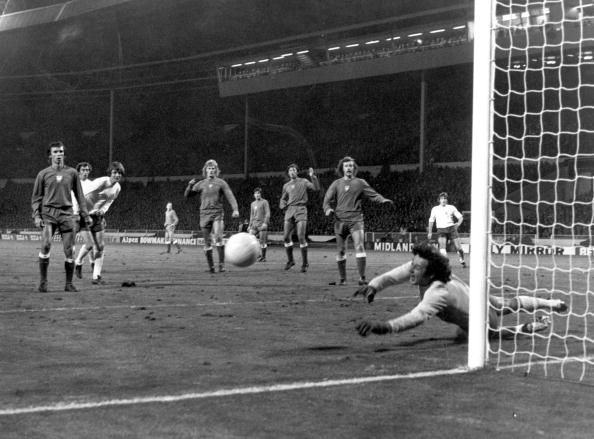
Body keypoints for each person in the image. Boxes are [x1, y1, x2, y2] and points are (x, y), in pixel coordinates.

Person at [354, 242, 567, 339]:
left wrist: (380, 326)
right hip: (478, 298)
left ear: (429, 274)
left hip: (483, 319)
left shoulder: (437, 293)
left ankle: (526, 327)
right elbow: (392, 276)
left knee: (473, 335)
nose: (411, 270)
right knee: (507, 303)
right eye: (413, 265)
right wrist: (374, 285)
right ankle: (553, 304)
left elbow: (414, 318)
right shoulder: (428, 271)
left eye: (416, 268)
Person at [31, 141, 92, 293]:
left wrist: (85, 214)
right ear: (50, 155)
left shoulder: (72, 173)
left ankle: (69, 284)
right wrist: (37, 216)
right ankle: (43, 282)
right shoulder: (43, 174)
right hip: (48, 213)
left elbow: (80, 196)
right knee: (45, 245)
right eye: (55, 152)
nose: (58, 154)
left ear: (64, 154)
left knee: (69, 250)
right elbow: (36, 198)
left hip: (67, 214)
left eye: (61, 152)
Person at [323, 156, 393, 285]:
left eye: (351, 165)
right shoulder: (336, 183)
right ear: (342, 168)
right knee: (340, 251)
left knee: (359, 246)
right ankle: (343, 279)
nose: (349, 168)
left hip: (356, 220)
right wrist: (327, 209)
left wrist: (383, 200)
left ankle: (362, 278)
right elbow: (326, 201)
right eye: (346, 166)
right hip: (340, 220)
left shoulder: (360, 182)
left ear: (354, 168)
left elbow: (374, 195)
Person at [74, 161, 125, 285]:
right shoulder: (101, 182)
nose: (117, 175)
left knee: (100, 246)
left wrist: (102, 211)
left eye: (119, 173)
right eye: (115, 172)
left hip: (97, 217)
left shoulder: (117, 188)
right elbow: (81, 194)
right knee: (90, 245)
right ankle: (78, 262)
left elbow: (109, 202)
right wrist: (78, 212)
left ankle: (96, 276)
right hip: (84, 215)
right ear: (110, 173)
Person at [184, 159, 239, 273]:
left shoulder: (221, 183)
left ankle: (222, 265)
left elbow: (230, 196)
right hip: (204, 214)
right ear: (205, 170)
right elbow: (187, 195)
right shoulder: (201, 184)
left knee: (218, 237)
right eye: (209, 168)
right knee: (207, 242)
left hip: (217, 213)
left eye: (213, 168)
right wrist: (189, 185)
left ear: (216, 170)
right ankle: (211, 267)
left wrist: (235, 209)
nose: (211, 170)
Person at [279, 163, 320, 272]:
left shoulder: (304, 181)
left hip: (301, 209)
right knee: (286, 237)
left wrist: (313, 176)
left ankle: (305, 263)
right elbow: (283, 198)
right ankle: (291, 261)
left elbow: (316, 188)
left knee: (301, 237)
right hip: (290, 210)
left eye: (294, 170)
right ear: (288, 173)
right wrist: (282, 204)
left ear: (297, 172)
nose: (292, 172)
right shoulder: (286, 185)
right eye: (290, 170)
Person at [427, 192, 466, 267]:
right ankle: (446, 263)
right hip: (441, 230)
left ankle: (462, 259)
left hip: (451, 229)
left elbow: (460, 217)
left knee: (459, 248)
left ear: (447, 200)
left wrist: (458, 224)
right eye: (442, 198)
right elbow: (431, 221)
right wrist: (430, 232)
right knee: (442, 247)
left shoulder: (451, 207)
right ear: (439, 200)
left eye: (445, 198)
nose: (443, 200)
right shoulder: (435, 209)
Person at [72, 162, 97, 279]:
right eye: (83, 170)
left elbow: (93, 201)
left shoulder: (91, 184)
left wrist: (96, 214)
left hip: (85, 217)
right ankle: (70, 267)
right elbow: (73, 200)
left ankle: (79, 263)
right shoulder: (72, 183)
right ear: (78, 171)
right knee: (70, 245)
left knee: (90, 244)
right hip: (72, 217)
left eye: (87, 170)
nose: (86, 172)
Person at [248, 187, 271, 262]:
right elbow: (251, 215)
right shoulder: (252, 204)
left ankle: (263, 257)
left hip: (262, 224)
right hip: (254, 225)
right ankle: (258, 255)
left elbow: (268, 213)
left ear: (261, 194)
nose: (257, 194)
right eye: (256, 193)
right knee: (250, 240)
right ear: (254, 195)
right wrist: (249, 225)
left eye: (258, 193)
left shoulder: (265, 202)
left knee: (262, 241)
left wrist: (265, 223)